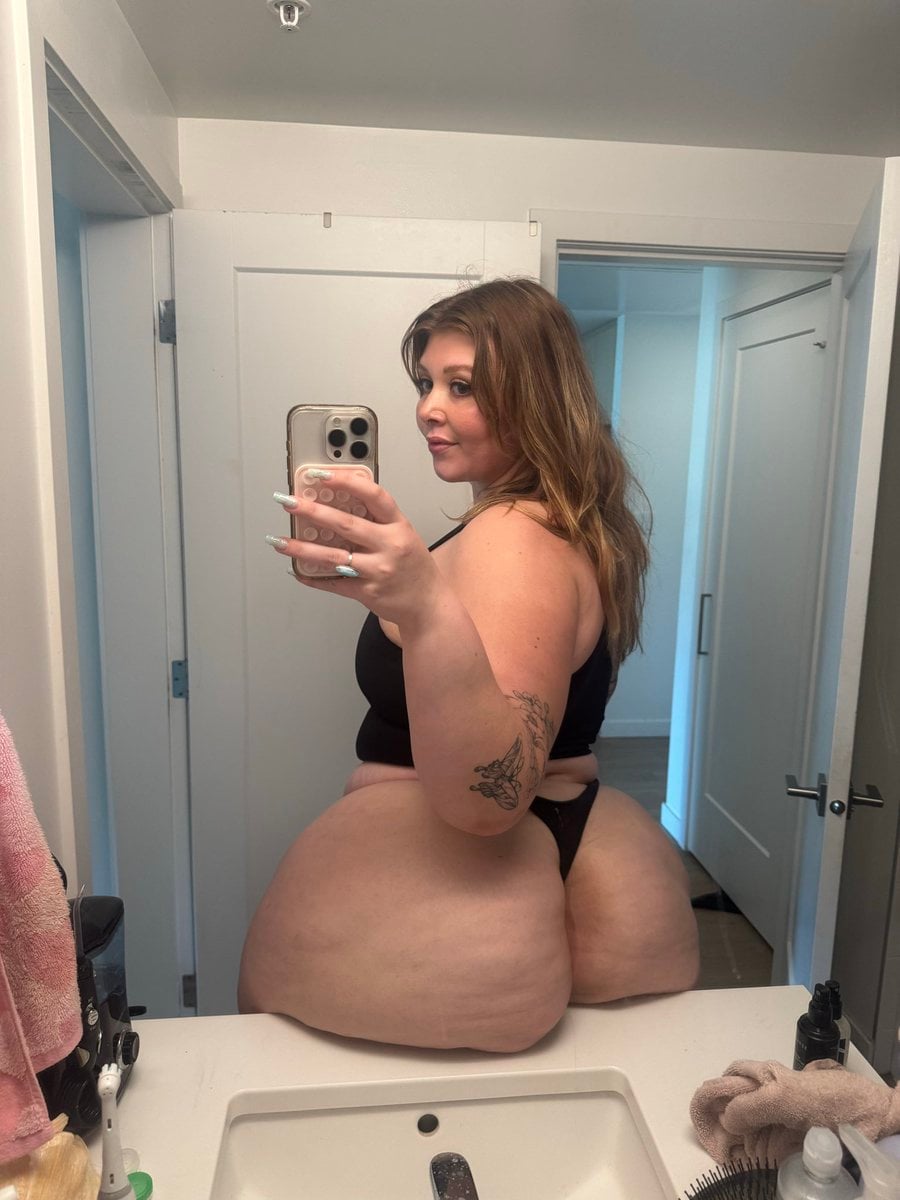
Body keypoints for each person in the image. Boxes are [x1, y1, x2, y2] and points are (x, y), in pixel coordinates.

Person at [239, 278, 699, 1052]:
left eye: (461, 386)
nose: (428, 408)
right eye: (426, 383)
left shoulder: (512, 535)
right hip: (582, 845)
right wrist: (406, 608)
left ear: (535, 397)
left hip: (468, 879)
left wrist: (423, 608)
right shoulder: (558, 526)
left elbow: (495, 796)